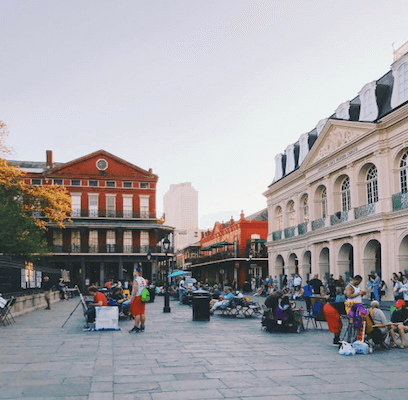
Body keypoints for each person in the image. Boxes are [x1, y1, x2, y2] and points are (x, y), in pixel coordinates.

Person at [129, 267, 147, 333]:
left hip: (137, 297)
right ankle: (142, 326)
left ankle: (136, 326)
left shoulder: (136, 280)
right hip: (143, 297)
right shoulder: (143, 280)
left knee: (137, 313)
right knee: (142, 312)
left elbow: (135, 290)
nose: (133, 272)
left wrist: (132, 299)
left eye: (134, 271)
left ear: (137, 272)